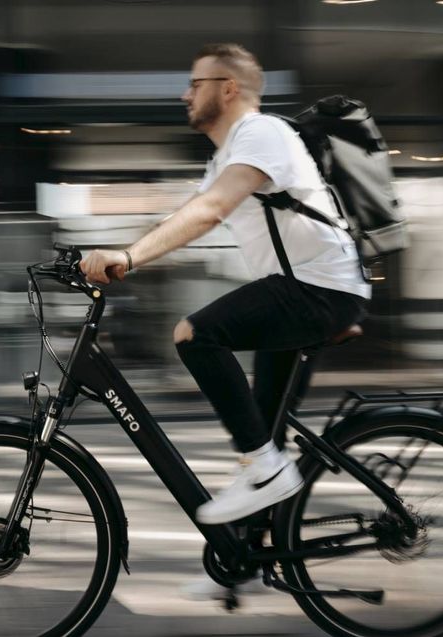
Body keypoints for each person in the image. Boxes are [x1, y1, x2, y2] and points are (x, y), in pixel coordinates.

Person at [81, 42, 369, 536]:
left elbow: (210, 210)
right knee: (263, 435)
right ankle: (245, 556)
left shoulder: (261, 132)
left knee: (196, 334)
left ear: (229, 88)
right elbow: (182, 218)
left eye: (195, 84)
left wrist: (127, 258)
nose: (184, 94)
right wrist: (103, 252)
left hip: (319, 288)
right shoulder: (228, 155)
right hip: (305, 289)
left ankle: (267, 469)